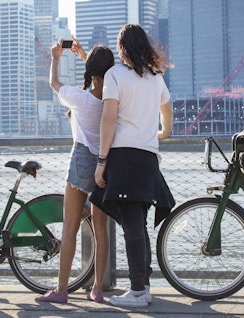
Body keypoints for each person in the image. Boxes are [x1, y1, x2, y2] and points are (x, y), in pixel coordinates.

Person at [90, 24, 174, 308]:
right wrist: (162, 133)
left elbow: (109, 118)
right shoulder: (155, 77)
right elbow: (167, 110)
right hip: (148, 157)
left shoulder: (115, 75)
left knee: (132, 226)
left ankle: (138, 291)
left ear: (122, 48)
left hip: (123, 156)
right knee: (137, 223)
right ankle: (144, 286)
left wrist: (101, 162)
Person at [36, 38, 114, 304]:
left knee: (69, 228)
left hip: (82, 160)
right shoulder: (115, 100)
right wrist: (86, 57)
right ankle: (97, 290)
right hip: (106, 163)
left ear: (91, 73)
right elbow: (104, 79)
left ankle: (61, 290)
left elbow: (54, 84)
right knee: (101, 230)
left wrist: (57, 57)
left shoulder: (80, 99)